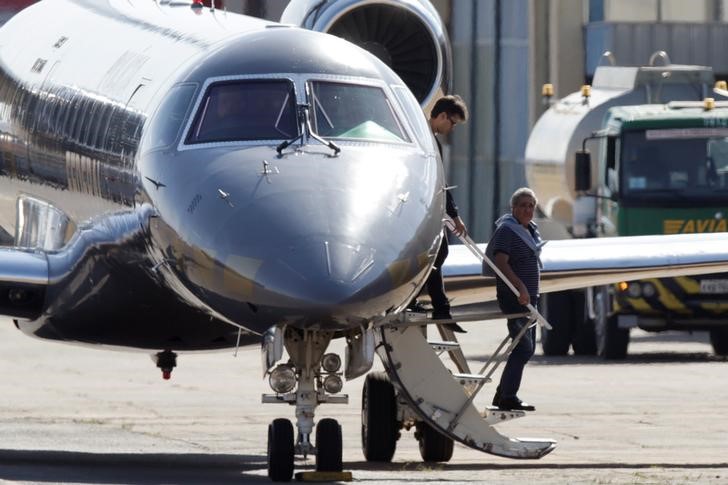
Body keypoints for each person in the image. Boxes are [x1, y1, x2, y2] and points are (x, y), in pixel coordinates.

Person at [410, 95, 469, 333]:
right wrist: (454, 216)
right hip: (417, 209)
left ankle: (440, 307)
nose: (452, 128)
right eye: (452, 122)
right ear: (442, 116)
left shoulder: (430, 140)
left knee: (439, 252)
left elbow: (440, 184)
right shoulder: (421, 138)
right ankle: (431, 304)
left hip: (429, 208)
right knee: (435, 252)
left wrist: (453, 214)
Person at [490, 187, 542, 411]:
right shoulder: (508, 230)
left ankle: (502, 394)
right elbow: (501, 261)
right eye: (522, 205)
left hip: (529, 297)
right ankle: (508, 397)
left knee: (526, 348)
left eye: (531, 206)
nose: (527, 210)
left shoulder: (530, 230)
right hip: (516, 297)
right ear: (513, 208)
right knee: (523, 348)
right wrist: (520, 286)